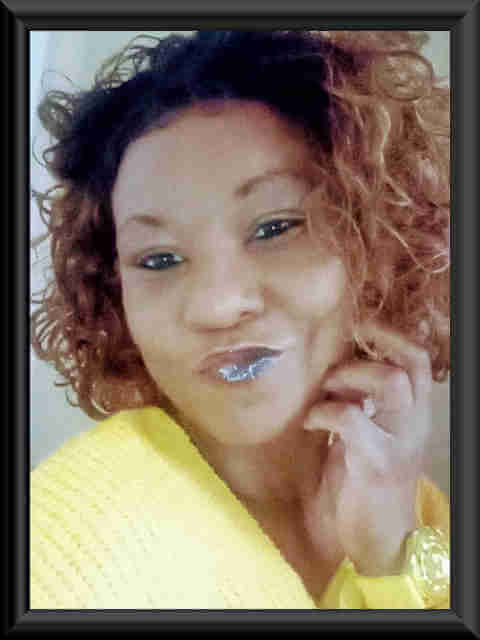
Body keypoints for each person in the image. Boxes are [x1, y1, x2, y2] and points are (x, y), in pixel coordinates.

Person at [30, 30, 450, 609]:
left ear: (376, 237)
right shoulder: (58, 555)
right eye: (158, 260)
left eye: (275, 228)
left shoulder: (416, 504)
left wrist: (392, 561)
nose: (217, 306)